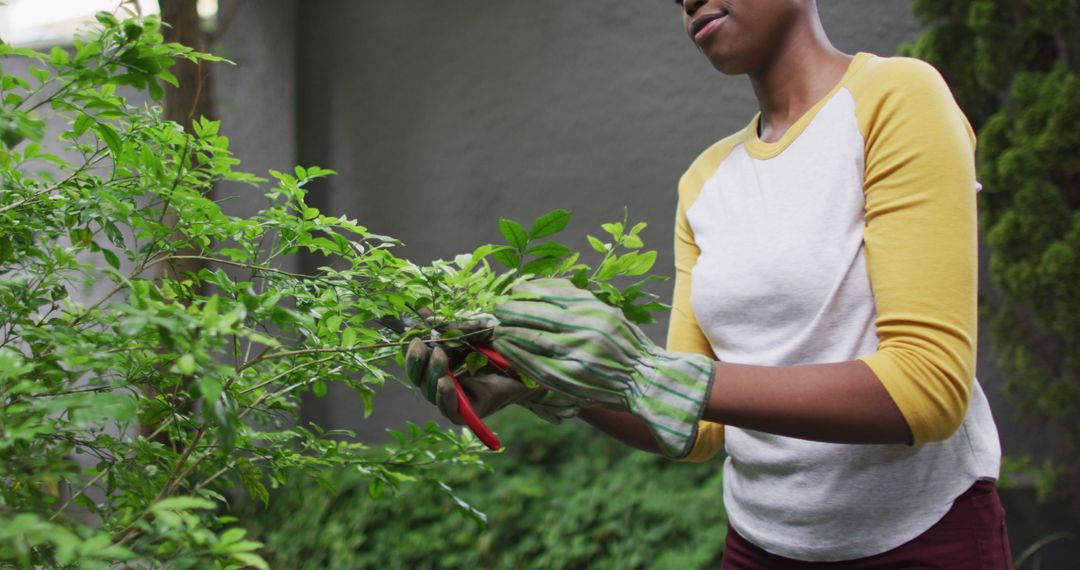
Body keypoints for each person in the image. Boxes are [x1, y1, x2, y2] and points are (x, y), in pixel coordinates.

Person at [405, 0, 1011, 566]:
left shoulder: (896, 97)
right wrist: (544, 378)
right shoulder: (706, 180)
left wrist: (645, 370)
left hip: (924, 541)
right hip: (757, 547)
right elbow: (696, 427)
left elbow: (927, 388)